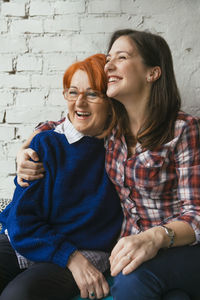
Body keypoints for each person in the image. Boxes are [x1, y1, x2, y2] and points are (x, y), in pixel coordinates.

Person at [17, 29, 200, 300]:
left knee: (130, 285)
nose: (109, 65)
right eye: (108, 58)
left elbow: (196, 212)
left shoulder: (183, 129)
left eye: (122, 57)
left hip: (178, 245)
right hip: (129, 248)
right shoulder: (112, 128)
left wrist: (154, 238)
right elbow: (63, 124)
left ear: (153, 73)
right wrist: (24, 149)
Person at [0, 54, 123, 300]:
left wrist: (75, 257)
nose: (79, 103)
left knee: (18, 296)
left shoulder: (122, 151)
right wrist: (69, 256)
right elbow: (22, 222)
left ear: (110, 100)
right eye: (72, 92)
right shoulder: (46, 144)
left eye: (92, 94)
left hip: (87, 250)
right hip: (28, 241)